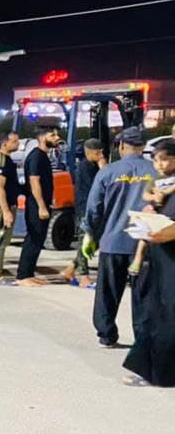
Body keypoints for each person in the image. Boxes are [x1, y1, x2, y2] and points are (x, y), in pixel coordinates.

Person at [85, 127, 156, 348]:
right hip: (145, 245)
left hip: (112, 241)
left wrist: (90, 234)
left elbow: (94, 208)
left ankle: (106, 335)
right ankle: (143, 340)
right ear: (143, 146)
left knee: (107, 292)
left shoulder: (108, 172)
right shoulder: (156, 171)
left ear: (121, 146)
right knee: (144, 295)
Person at [122, 139, 175, 386]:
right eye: (155, 160)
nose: (160, 165)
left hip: (170, 259)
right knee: (153, 313)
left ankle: (158, 373)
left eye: (165, 159)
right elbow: (150, 202)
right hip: (159, 258)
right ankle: (150, 369)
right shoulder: (160, 183)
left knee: (166, 316)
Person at [16, 120, 62, 286]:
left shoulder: (43, 156)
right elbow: (34, 182)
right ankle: (23, 276)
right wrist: (42, 206)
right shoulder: (36, 157)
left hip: (42, 203)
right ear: (42, 138)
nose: (57, 138)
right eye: (53, 135)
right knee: (33, 239)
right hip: (36, 205)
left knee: (38, 239)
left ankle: (29, 273)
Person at [61, 138, 106, 286]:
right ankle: (83, 276)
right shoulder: (84, 167)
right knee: (85, 240)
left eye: (101, 152)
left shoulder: (95, 165)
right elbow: (98, 185)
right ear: (88, 153)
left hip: (96, 209)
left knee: (95, 242)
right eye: (97, 153)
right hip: (85, 209)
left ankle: (71, 268)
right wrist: (104, 169)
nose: (101, 155)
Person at [0, 130, 22, 284]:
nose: (18, 143)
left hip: (7, 205)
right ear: (5, 143)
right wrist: (6, 211)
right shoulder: (0, 161)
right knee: (0, 240)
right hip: (1, 207)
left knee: (2, 240)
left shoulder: (7, 159)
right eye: (14, 141)